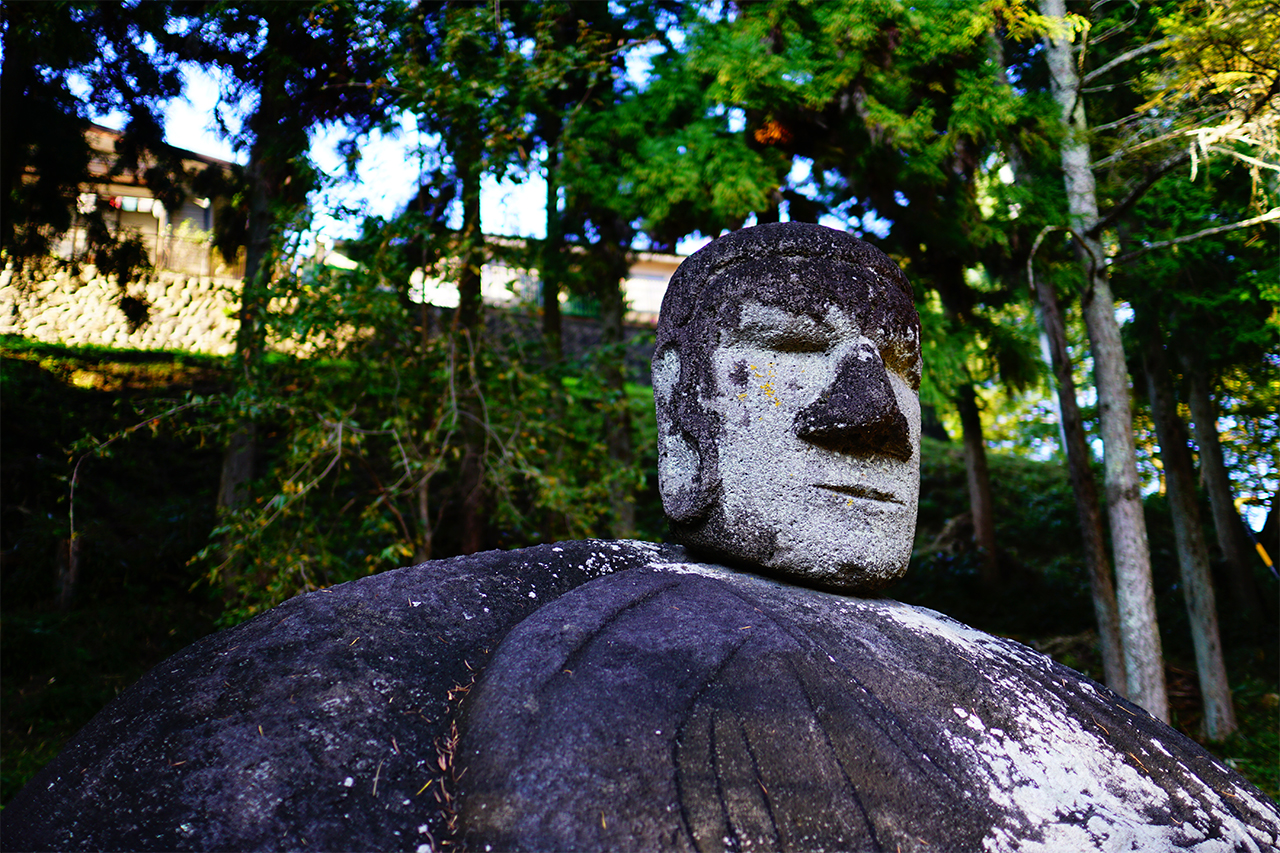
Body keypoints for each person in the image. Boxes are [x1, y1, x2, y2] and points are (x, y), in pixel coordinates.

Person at [5, 223, 1277, 853]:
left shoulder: (1022, 689)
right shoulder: (634, 650)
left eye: (894, 368)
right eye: (791, 353)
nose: (870, 420)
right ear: (682, 418)